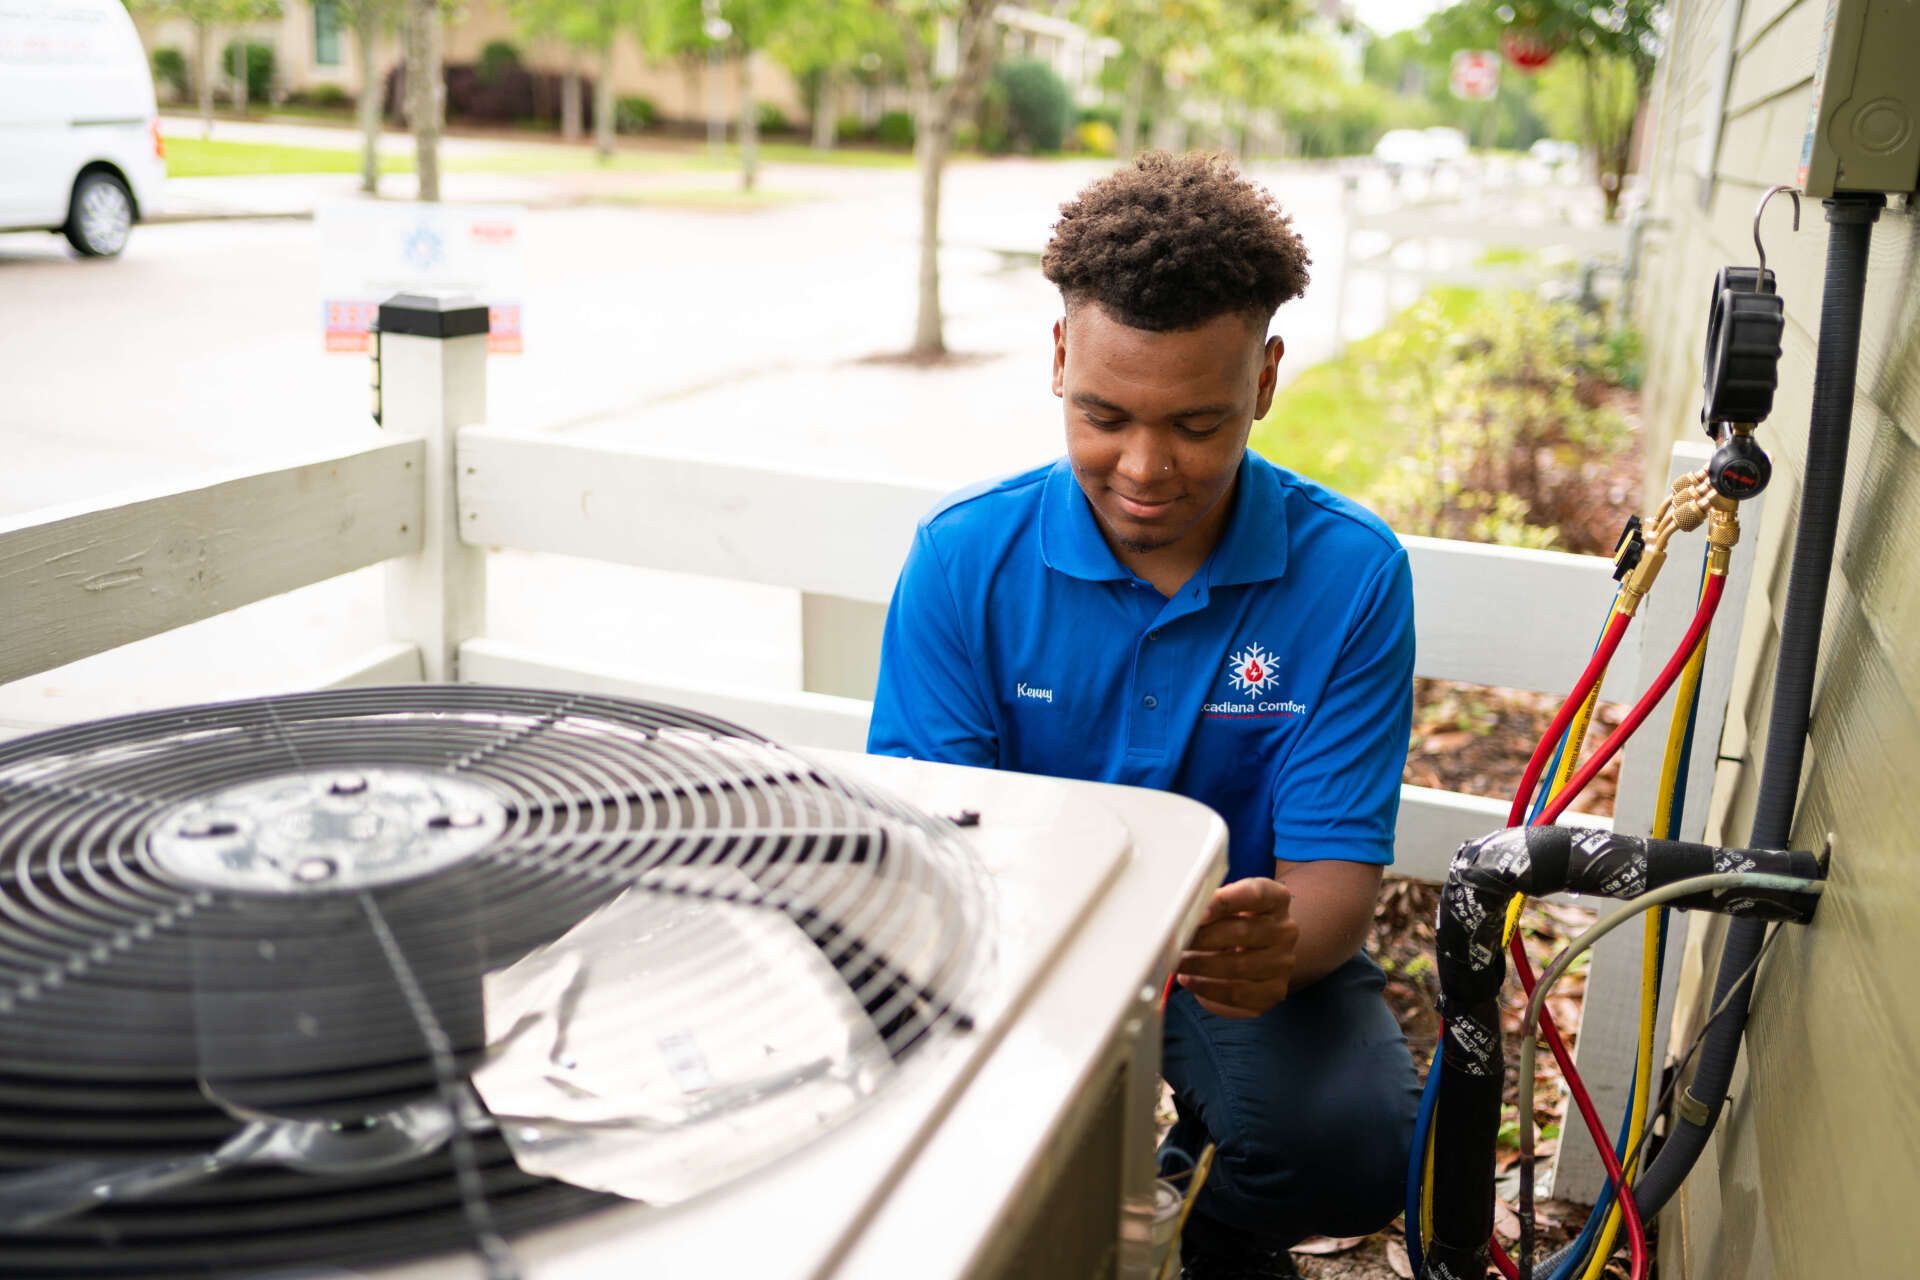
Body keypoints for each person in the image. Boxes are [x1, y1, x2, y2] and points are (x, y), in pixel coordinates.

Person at [866, 152, 1420, 1280]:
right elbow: (930, 853)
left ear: (1265, 379)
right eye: (1104, 413)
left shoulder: (1352, 574)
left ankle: (1199, 1233)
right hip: (1018, 942)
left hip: (1224, 963)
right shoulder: (965, 559)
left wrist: (1279, 946)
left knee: (1353, 1144)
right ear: (1059, 356)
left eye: (1199, 424)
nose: (1145, 468)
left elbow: (1333, 886)